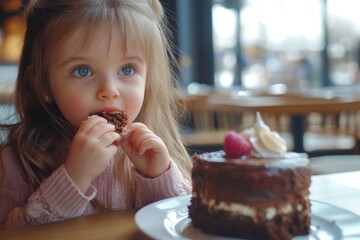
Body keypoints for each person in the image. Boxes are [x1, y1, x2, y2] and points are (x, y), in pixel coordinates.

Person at [0, 0, 192, 229]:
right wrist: (73, 178)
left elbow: (183, 225)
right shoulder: (18, 162)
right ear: (43, 84)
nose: (109, 90)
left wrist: (158, 178)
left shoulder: (148, 152)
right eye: (83, 70)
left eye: (127, 69)